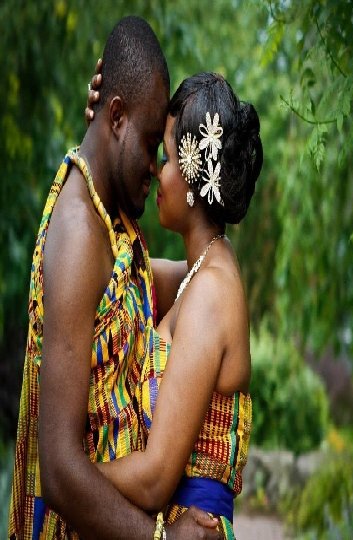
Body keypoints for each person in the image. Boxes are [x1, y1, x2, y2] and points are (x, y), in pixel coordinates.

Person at [8, 16, 221, 539]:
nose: (155, 167)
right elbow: (58, 470)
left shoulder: (112, 217)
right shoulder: (80, 234)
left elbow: (154, 285)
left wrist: (213, 251)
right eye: (153, 145)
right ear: (118, 119)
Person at [86, 71, 262, 538]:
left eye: (163, 156)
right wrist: (106, 134)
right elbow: (121, 265)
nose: (152, 169)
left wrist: (67, 477)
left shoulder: (211, 292)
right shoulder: (199, 275)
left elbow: (156, 477)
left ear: (192, 176)